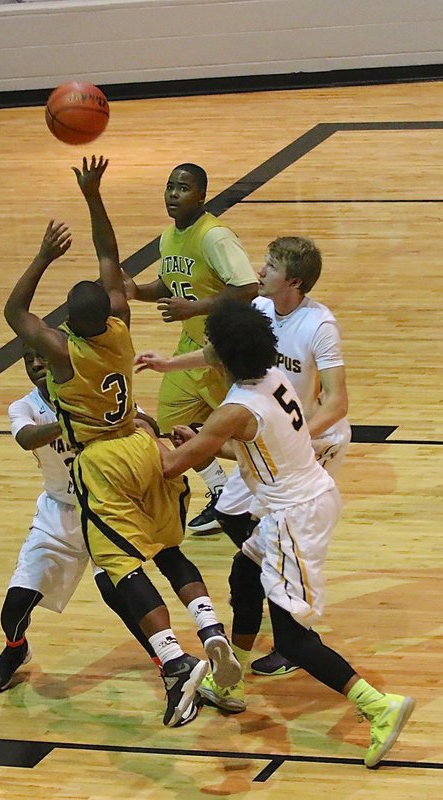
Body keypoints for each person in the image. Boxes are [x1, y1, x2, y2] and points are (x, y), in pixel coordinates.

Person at [2, 155, 241, 728]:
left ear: (66, 325)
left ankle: (175, 663)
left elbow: (14, 312)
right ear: (107, 312)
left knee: (117, 570)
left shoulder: (64, 355)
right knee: (168, 546)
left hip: (103, 461)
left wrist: (42, 257)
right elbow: (111, 258)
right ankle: (210, 626)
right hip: (143, 443)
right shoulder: (120, 328)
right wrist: (93, 196)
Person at [154, 299, 415, 769]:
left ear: (225, 356)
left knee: (293, 639)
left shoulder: (234, 409)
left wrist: (139, 435)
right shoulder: (273, 378)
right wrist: (199, 439)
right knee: (243, 571)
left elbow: (172, 466)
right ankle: (227, 680)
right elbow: (259, 451)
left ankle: (379, 706)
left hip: (295, 516)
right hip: (302, 499)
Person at [136, 236, 351, 679]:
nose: (259, 270)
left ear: (294, 279)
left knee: (275, 545)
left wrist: (290, 437)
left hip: (314, 444)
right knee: (232, 512)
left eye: (269, 266)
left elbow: (337, 402)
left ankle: (293, 627)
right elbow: (221, 351)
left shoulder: (319, 325)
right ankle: (276, 576)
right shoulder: (260, 312)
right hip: (274, 435)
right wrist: (168, 364)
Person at [0, 345, 162, 695]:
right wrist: (71, 421)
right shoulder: (24, 407)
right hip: (58, 511)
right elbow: (25, 438)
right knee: (15, 605)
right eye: (28, 359)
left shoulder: (93, 390)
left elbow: (148, 423)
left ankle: (167, 662)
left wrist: (124, 420)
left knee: (117, 593)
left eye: (42, 357)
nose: (35, 364)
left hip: (104, 508)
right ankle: (15, 650)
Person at [122, 163, 258, 535]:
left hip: (225, 351)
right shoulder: (169, 238)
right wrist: (137, 291)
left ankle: (264, 493)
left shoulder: (214, 237)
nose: (173, 194)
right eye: (169, 187)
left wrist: (195, 308)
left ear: (201, 195)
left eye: (182, 188)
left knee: (247, 434)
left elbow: (247, 289)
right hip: (191, 344)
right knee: (171, 424)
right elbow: (171, 284)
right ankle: (219, 489)